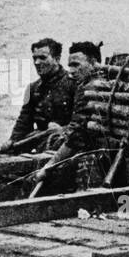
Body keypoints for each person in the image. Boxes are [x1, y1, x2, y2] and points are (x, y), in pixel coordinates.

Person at [31, 41, 106, 193]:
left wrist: (48, 167)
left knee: (46, 179)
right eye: (70, 65)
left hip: (101, 154)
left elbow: (76, 136)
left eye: (76, 65)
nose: (71, 71)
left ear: (94, 63)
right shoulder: (89, 85)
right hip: (98, 149)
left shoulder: (91, 89)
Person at [0, 38, 75, 153]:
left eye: (43, 58)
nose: (37, 63)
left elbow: (80, 119)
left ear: (57, 59)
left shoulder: (73, 84)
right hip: (41, 144)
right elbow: (24, 122)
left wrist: (63, 130)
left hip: (68, 143)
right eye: (35, 58)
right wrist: (12, 140)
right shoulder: (33, 88)